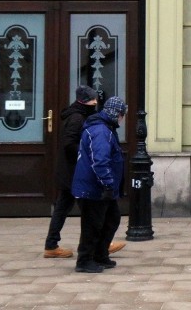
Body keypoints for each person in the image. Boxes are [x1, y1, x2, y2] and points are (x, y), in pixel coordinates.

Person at [44, 85, 124, 257]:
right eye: (93, 100)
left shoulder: (79, 115)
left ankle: (51, 244)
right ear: (84, 101)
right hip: (74, 170)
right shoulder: (76, 118)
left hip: (73, 169)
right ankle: (98, 245)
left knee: (65, 207)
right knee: (92, 211)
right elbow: (69, 144)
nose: (95, 103)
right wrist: (84, 154)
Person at [72, 95, 127, 273]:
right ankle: (85, 260)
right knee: (92, 224)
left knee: (111, 219)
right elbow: (100, 161)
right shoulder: (101, 131)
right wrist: (108, 184)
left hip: (98, 187)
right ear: (116, 113)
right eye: (122, 114)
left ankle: (100, 254)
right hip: (93, 188)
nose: (122, 118)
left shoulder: (105, 128)